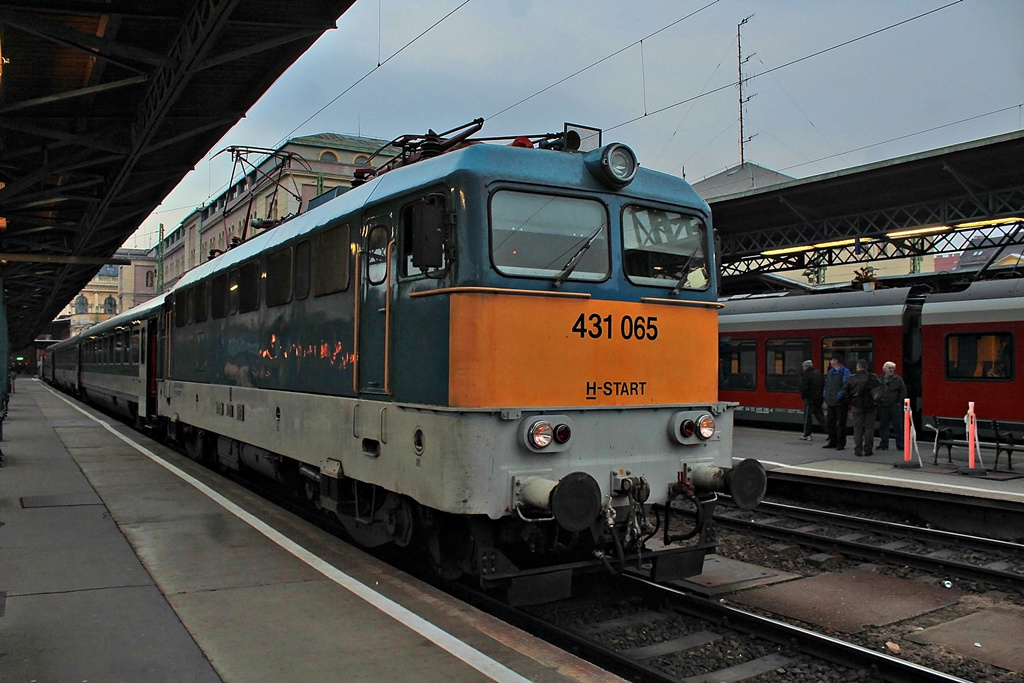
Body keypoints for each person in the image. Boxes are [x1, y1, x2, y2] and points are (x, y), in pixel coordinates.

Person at [842, 358, 880, 457]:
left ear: (858, 367)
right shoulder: (873, 377)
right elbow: (879, 391)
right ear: (866, 367)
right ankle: (868, 450)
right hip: (871, 406)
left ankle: (858, 450)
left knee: (857, 429)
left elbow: (845, 391)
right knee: (869, 429)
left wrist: (850, 402)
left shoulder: (852, 378)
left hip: (857, 406)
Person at [876, 361, 908, 450]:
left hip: (895, 406)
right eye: (889, 368)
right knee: (883, 426)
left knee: (897, 426)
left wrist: (898, 402)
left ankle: (900, 444)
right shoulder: (880, 379)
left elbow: (903, 391)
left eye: (892, 368)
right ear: (884, 369)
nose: (891, 370)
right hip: (883, 406)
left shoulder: (898, 379)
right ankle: (884, 444)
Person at [822, 355, 851, 450]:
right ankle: (832, 441)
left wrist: (840, 394)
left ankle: (840, 443)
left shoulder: (845, 371)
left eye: (831, 360)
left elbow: (846, 385)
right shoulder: (830, 372)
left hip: (841, 402)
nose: (830, 362)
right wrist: (825, 393)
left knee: (840, 423)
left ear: (836, 361)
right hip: (831, 401)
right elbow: (826, 384)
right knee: (830, 422)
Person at [798, 360, 825, 441]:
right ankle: (831, 433)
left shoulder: (806, 375)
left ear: (805, 367)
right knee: (820, 417)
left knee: (807, 418)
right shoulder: (818, 373)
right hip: (818, 399)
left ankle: (807, 434)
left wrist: (804, 397)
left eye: (803, 367)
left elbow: (804, 388)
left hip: (810, 399)